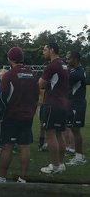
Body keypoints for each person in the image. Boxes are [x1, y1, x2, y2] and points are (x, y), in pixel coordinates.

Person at [0, 47, 38, 183]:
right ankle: (23, 178)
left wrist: (1, 116)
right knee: (24, 146)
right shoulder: (32, 74)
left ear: (10, 59)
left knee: (7, 146)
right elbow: (36, 96)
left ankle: (1, 177)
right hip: (27, 116)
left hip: (11, 116)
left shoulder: (9, 75)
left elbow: (3, 98)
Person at [39, 42, 69, 174]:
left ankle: (55, 165)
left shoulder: (52, 65)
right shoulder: (63, 64)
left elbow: (41, 84)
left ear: (51, 50)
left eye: (45, 49)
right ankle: (61, 164)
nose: (43, 52)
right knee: (59, 134)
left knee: (50, 134)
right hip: (63, 103)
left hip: (52, 103)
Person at [65, 51, 87, 166]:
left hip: (77, 104)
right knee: (73, 129)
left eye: (69, 59)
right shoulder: (76, 70)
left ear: (75, 59)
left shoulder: (77, 73)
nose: (67, 61)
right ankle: (78, 155)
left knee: (76, 130)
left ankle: (79, 157)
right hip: (73, 103)